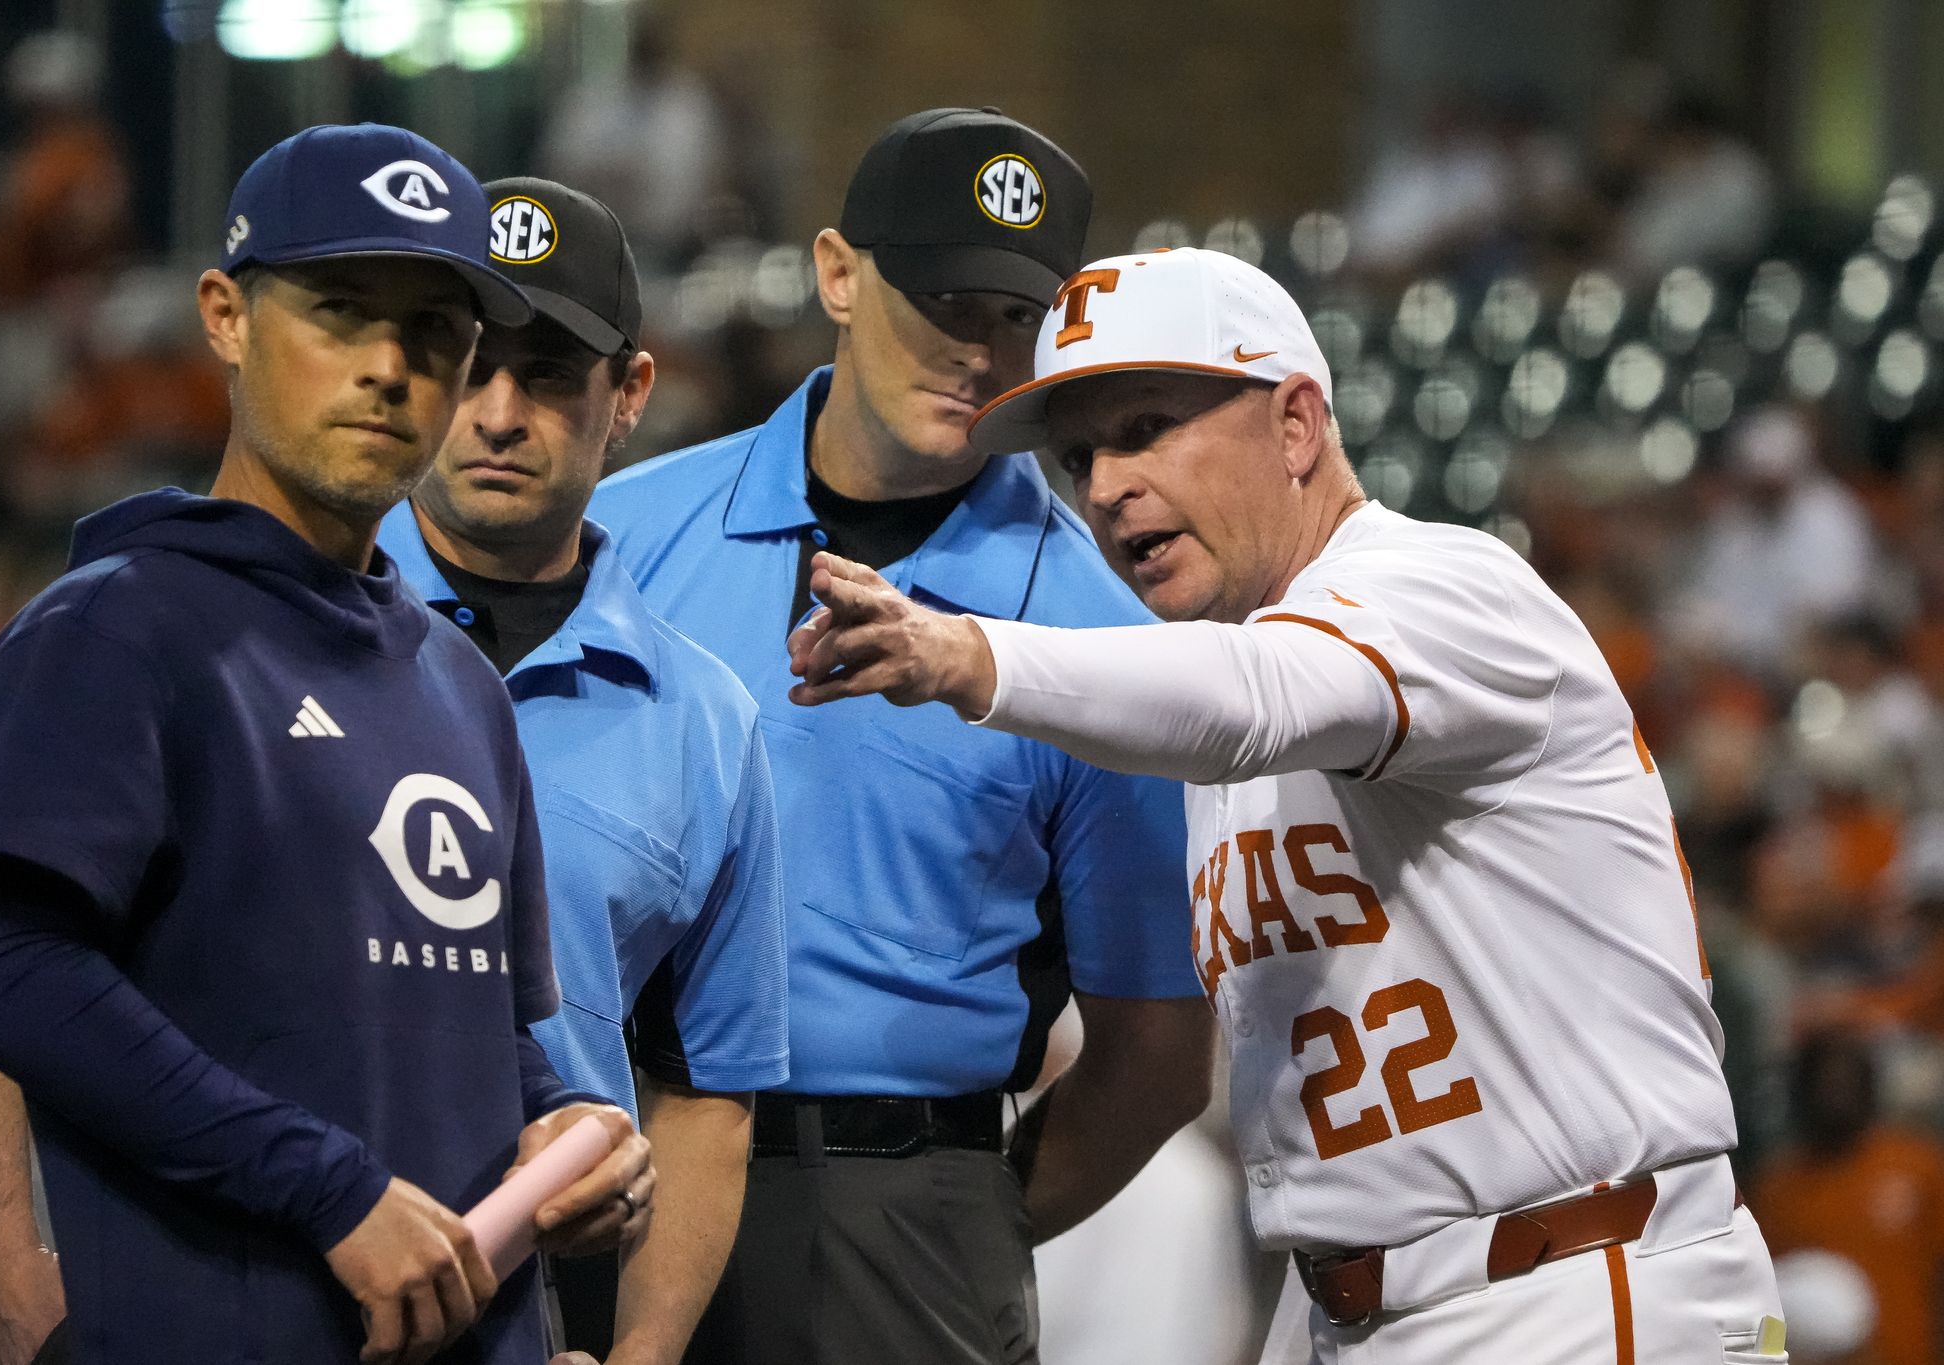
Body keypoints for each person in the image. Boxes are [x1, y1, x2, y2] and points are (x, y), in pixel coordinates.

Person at [784, 246, 1786, 1362]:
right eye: (1077, 457)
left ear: (1297, 423)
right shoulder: (1226, 703)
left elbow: (1253, 700)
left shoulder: (1445, 588)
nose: (1104, 485)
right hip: (1357, 1306)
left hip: (1571, 1286)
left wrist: (968, 653)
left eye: (1145, 427)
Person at [0, 124, 654, 1365]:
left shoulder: (457, 683)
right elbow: (8, 967)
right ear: (225, 316)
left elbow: (474, 1036)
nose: (389, 368)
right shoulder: (114, 627)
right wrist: (329, 1190)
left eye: (433, 332)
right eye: (340, 310)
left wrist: (571, 1133)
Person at [586, 108, 1215, 1365]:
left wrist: (962, 1206)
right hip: (615, 1176)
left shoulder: (1096, 634)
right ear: (835, 273)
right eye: (940, 299)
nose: (978, 353)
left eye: (1011, 316)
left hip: (900, 1197)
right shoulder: (623, 538)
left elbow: (1154, 1051)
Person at [374, 176, 788, 1365]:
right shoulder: (267, 624)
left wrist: (644, 1359)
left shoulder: (703, 716)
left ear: (630, 397)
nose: (498, 413)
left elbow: (704, 1093)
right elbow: (4, 942)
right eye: (470, 360)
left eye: (550, 373)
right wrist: (13, 1267)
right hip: (249, 1279)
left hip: (542, 1309)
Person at [1753, 1033, 1944, 1365]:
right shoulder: (1776, 1189)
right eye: (1824, 1084)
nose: (1835, 1096)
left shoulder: (1918, 1166)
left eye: (1845, 1083)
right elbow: (1765, 1306)